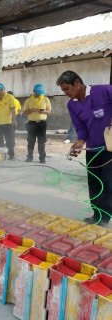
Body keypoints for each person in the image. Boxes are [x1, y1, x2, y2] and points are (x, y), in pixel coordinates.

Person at [57, 70, 112, 226]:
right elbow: (80, 126)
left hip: (109, 148)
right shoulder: (72, 105)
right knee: (94, 183)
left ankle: (105, 217)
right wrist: (81, 141)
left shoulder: (102, 91)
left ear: (77, 82)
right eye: (63, 91)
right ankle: (96, 214)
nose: (66, 93)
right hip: (93, 149)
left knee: (108, 182)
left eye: (67, 88)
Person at [22, 84, 52, 164]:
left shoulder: (46, 99)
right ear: (33, 91)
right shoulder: (28, 100)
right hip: (31, 123)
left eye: (40, 92)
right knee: (31, 141)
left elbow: (49, 112)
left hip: (42, 124)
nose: (39, 94)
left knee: (42, 141)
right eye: (37, 92)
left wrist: (44, 111)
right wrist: (31, 110)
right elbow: (24, 112)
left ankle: (42, 158)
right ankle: (29, 157)